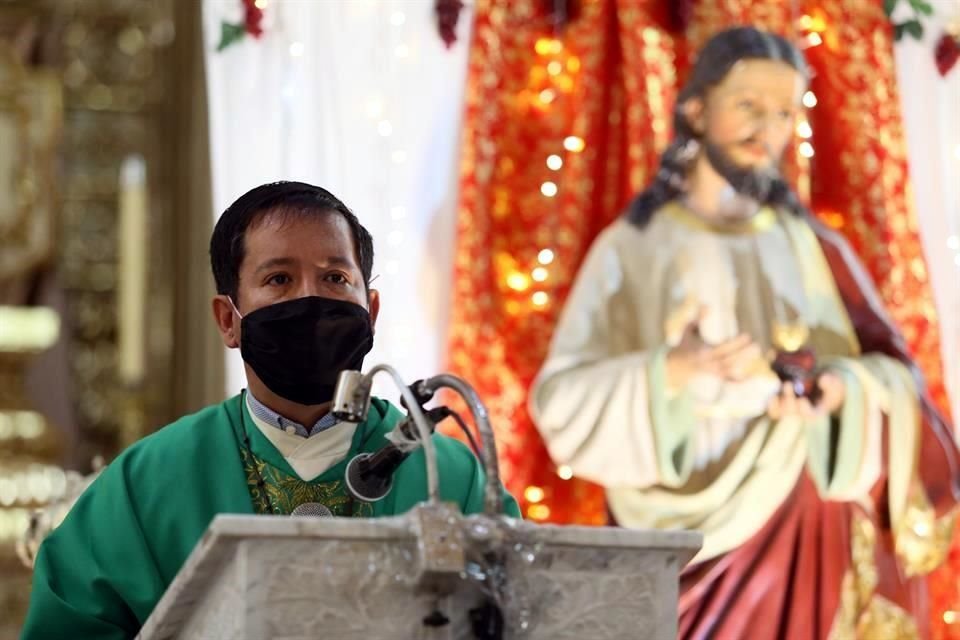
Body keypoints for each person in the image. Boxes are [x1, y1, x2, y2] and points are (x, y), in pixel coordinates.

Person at [530, 27, 959, 639]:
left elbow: (899, 379)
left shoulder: (816, 247)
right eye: (749, 106)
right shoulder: (635, 247)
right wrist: (672, 370)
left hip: (810, 534)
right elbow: (561, 399)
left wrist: (841, 391)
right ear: (697, 110)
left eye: (784, 112)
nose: (769, 129)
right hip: (685, 548)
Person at [22, 181, 520, 639]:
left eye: (334, 277)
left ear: (369, 310)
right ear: (228, 320)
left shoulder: (450, 479)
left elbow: (526, 612)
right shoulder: (146, 484)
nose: (310, 298)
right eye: (280, 278)